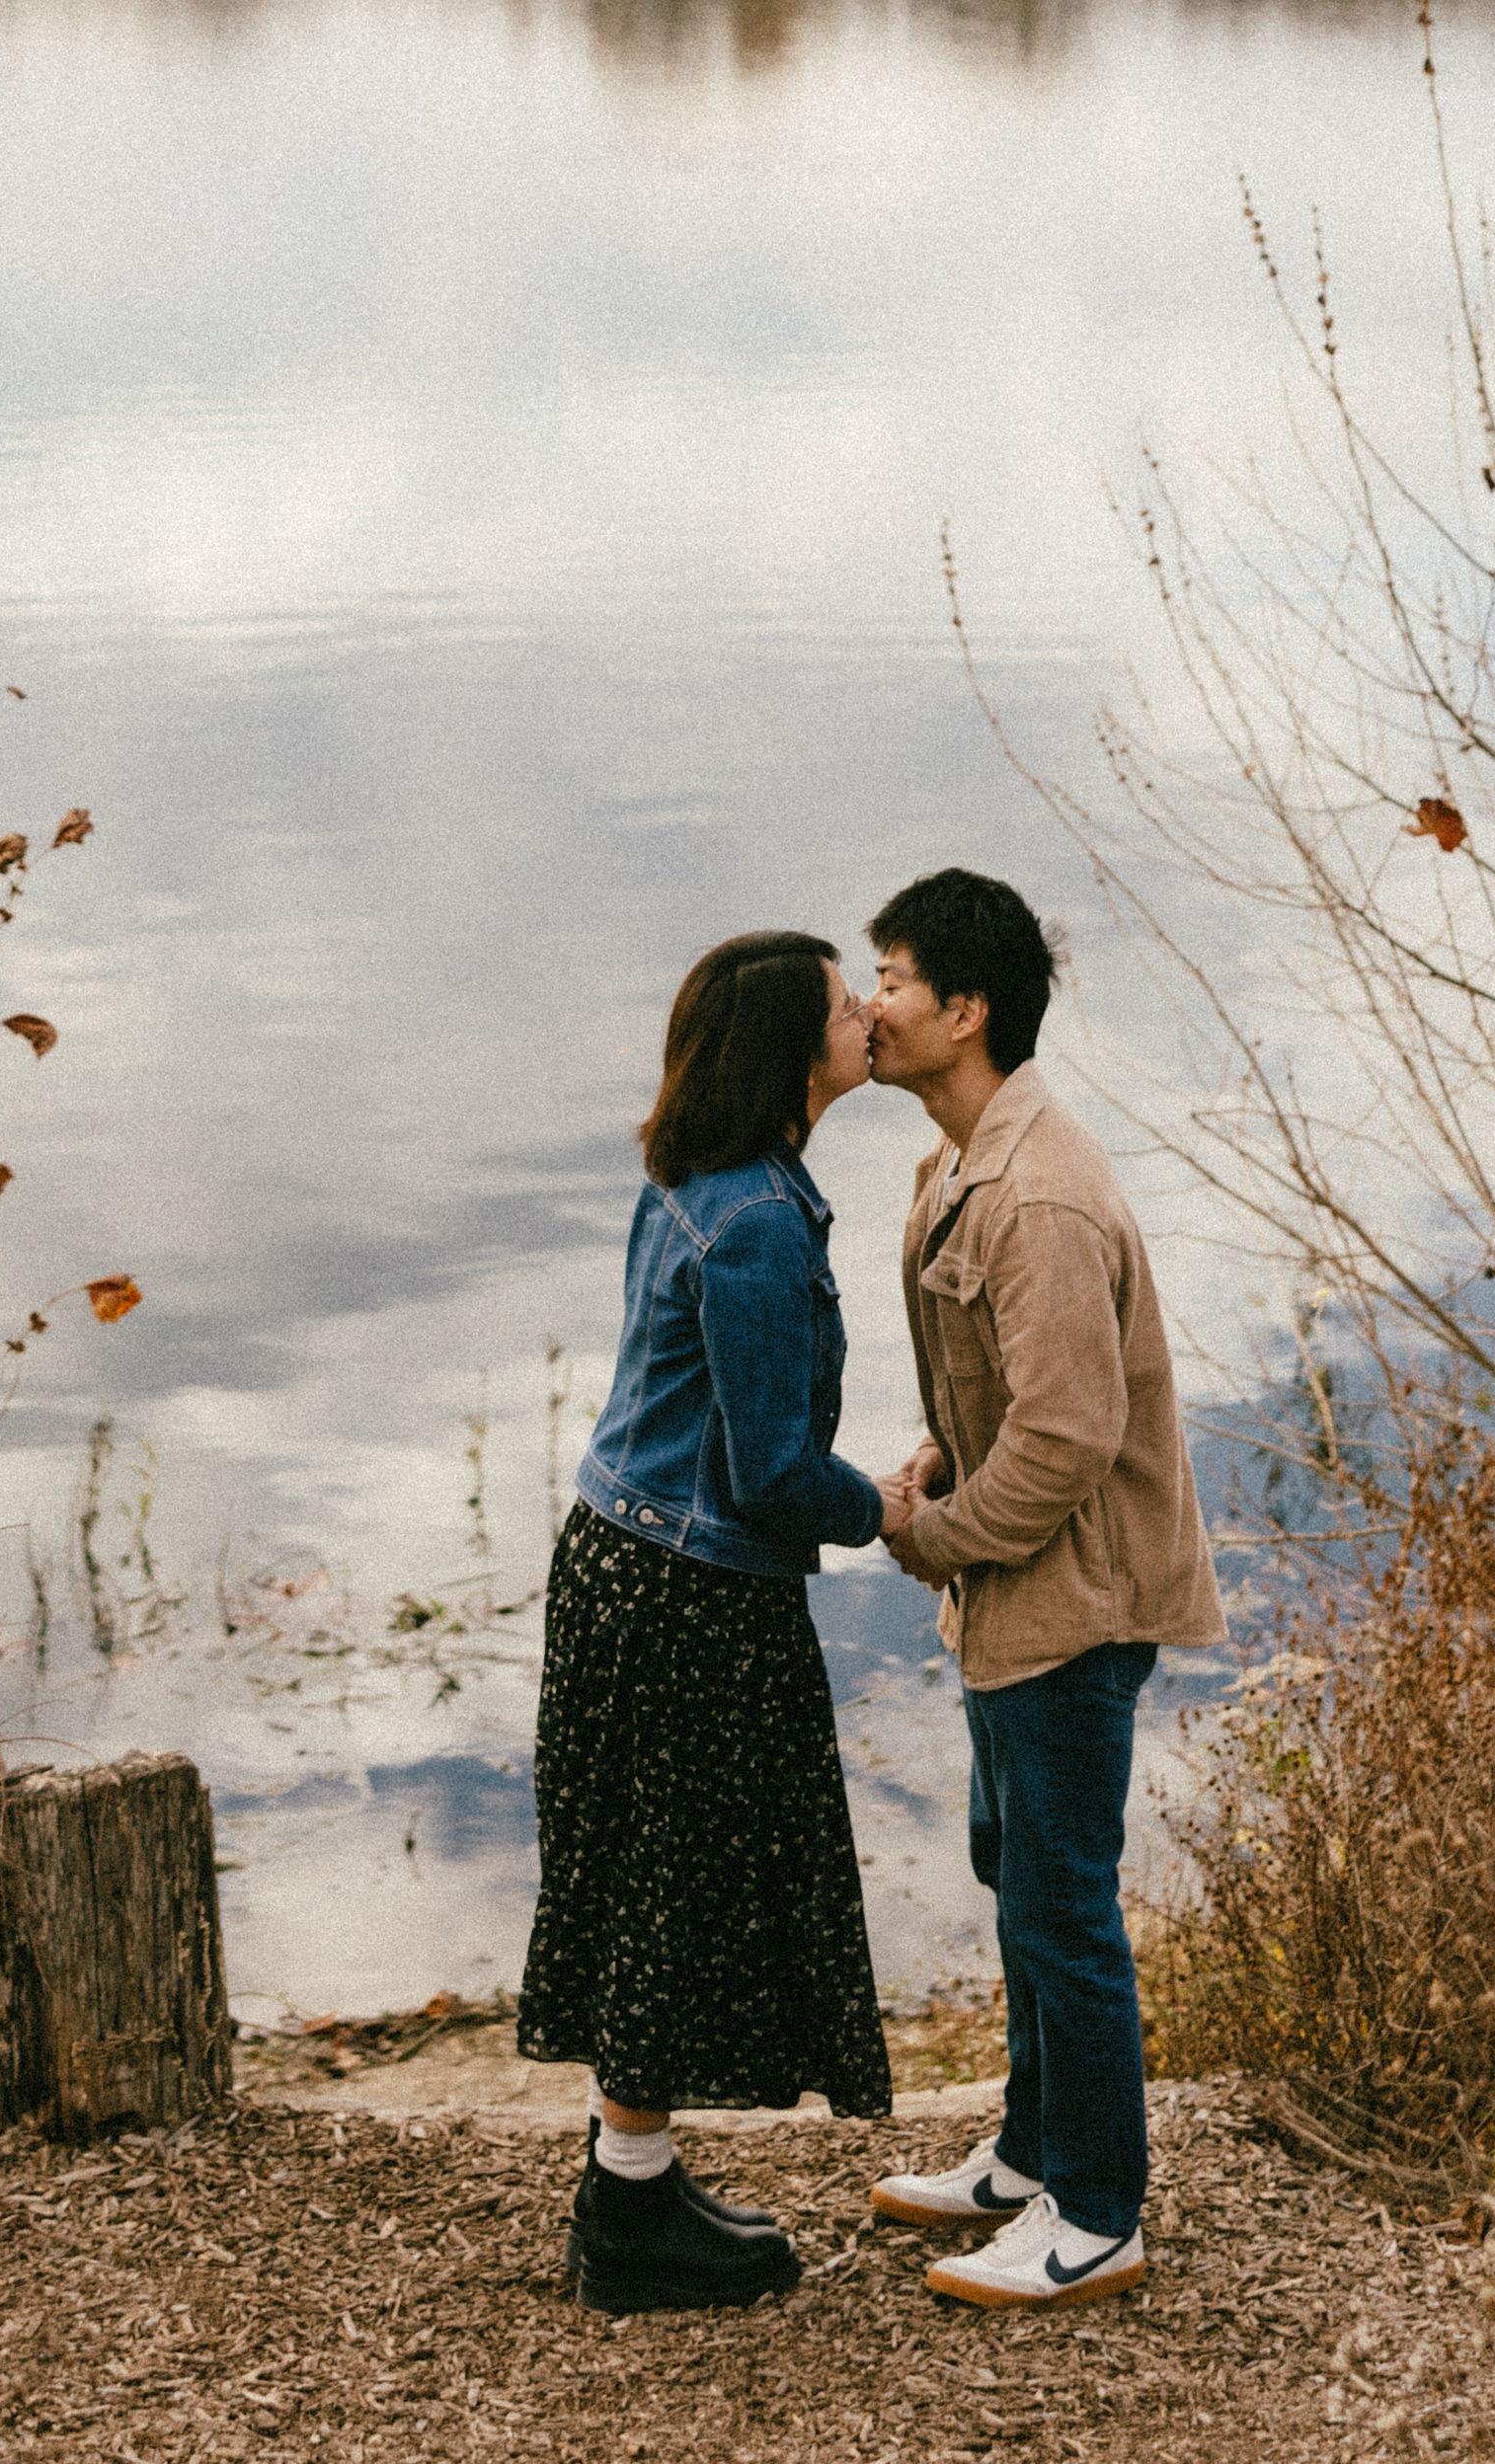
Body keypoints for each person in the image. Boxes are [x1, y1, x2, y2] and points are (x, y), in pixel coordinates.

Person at [514, 925, 901, 2314]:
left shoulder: (697, 1180)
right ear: (792, 1054)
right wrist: (889, 1508)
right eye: (845, 1004)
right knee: (675, 1882)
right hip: (688, 1592)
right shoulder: (756, 1226)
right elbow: (774, 1471)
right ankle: (628, 2220)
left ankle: (634, 2174)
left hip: (622, 1560)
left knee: (646, 1871)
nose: (868, 1015)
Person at [860, 866, 1224, 2310]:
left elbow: (1068, 1434)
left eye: (893, 980)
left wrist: (937, 1536)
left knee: (1063, 1905)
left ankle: (1099, 2213)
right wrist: (940, 1455)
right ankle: (1029, 2152)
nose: (871, 1005)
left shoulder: (1037, 1196)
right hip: (1021, 1592)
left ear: (966, 1011)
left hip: (1076, 1599)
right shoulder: (956, 1167)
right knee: (1015, 1876)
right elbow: (1009, 1391)